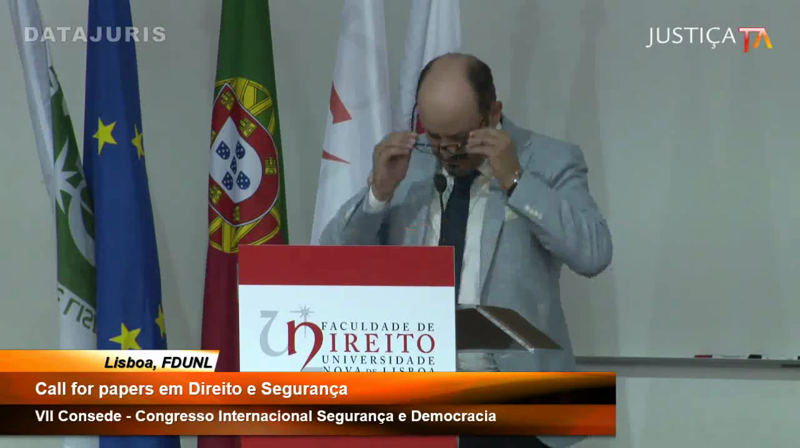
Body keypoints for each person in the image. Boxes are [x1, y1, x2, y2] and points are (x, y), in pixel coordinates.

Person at [320, 53, 613, 448]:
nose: (446, 151)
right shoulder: (409, 163)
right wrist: (379, 192)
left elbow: (593, 253)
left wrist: (516, 181)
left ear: (493, 113)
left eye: (459, 139)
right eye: (434, 136)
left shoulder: (549, 159)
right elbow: (331, 258)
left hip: (523, 404)